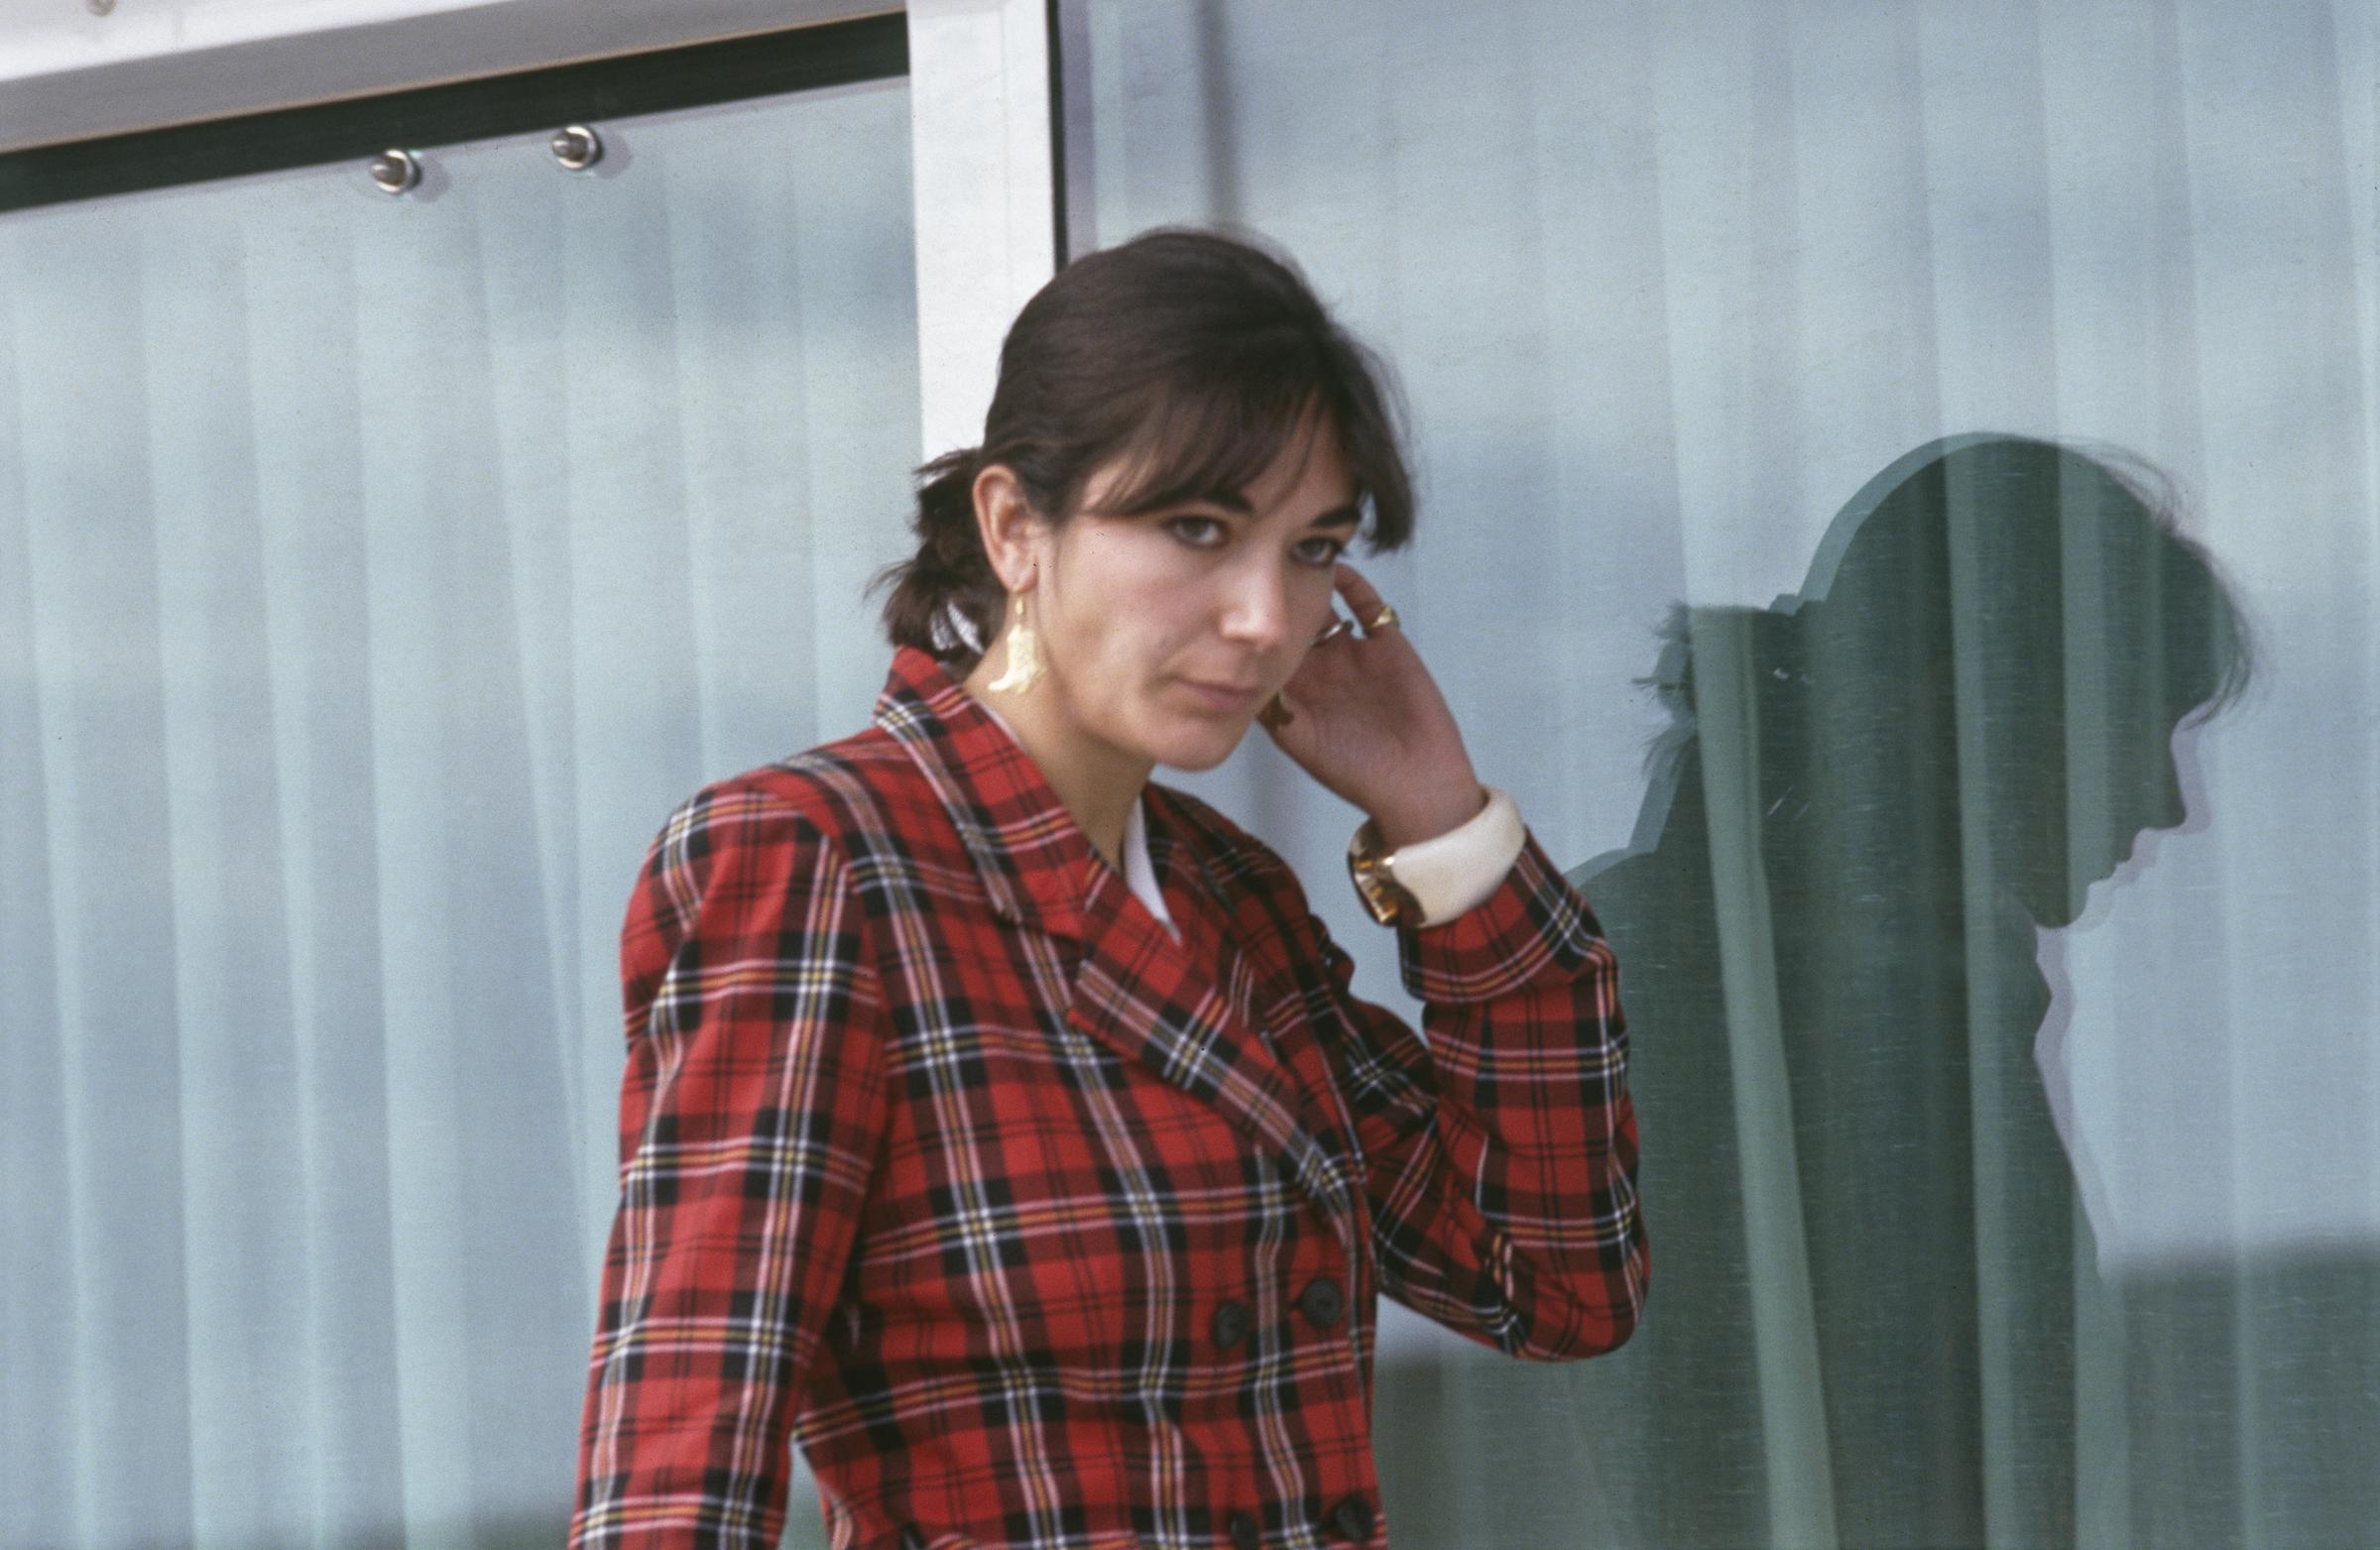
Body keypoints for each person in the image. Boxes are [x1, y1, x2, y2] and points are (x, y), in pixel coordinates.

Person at [567, 227, 1647, 1550]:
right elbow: (686, 1444)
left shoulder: (1224, 898)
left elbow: (1551, 1282)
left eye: (1313, 548)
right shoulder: (818, 859)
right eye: (1197, 528)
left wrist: (1439, 820)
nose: (1264, 614)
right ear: (1015, 525)